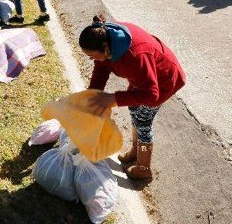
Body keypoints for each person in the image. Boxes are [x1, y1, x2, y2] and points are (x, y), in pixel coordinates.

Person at [80, 14, 186, 181]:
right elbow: (101, 68)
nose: (92, 59)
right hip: (144, 78)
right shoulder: (104, 38)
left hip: (162, 81)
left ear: (105, 48)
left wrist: (113, 98)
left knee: (143, 124)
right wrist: (92, 95)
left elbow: (151, 95)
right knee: (134, 109)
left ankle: (144, 168)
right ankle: (135, 151)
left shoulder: (135, 56)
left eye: (93, 55)